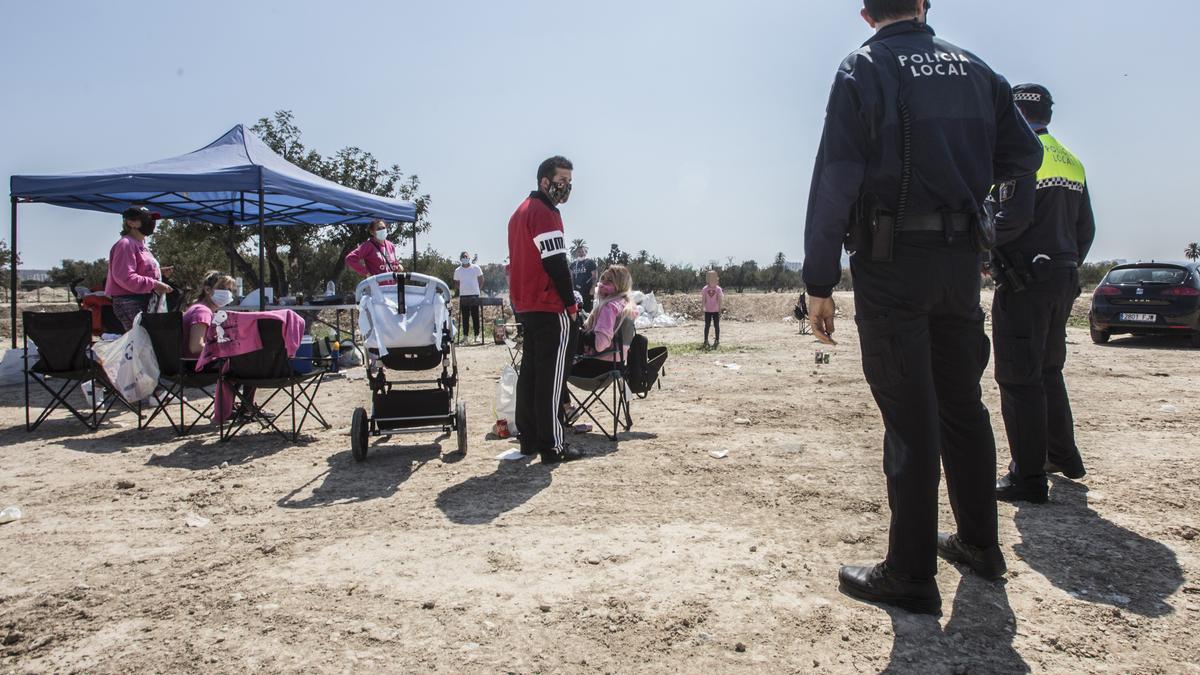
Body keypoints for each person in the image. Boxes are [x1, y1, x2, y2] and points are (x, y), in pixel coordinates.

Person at [802, 0, 1044, 615]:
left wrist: (820, 280)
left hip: (893, 260)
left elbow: (836, 177)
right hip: (961, 262)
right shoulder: (977, 69)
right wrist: (966, 187)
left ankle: (909, 573)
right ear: (924, 5)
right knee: (962, 403)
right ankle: (980, 545)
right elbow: (1025, 155)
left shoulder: (865, 68)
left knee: (910, 417)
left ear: (865, 14)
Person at [990, 84, 1096, 503]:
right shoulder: (1072, 161)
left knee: (1018, 378)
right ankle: (1062, 455)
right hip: (1063, 276)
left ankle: (1027, 475)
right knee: (1050, 370)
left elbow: (1010, 221)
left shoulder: (1020, 157)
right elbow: (1086, 229)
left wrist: (980, 244)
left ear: (1014, 114)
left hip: (1025, 280)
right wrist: (1064, 262)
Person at [507, 156, 583, 464]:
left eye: (569, 182)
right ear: (544, 181)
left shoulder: (519, 212)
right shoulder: (545, 212)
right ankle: (553, 445)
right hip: (548, 304)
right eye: (560, 181)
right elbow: (556, 264)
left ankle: (530, 440)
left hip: (526, 304)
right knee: (551, 378)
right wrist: (571, 303)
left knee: (531, 374)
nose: (565, 187)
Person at [106, 207, 172, 331]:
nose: (151, 222)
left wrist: (158, 273)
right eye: (146, 219)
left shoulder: (140, 245)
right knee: (142, 342)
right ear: (130, 223)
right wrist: (154, 284)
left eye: (152, 219)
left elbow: (138, 269)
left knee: (145, 343)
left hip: (143, 300)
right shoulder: (125, 244)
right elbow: (124, 277)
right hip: (130, 301)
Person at [572, 265, 636, 378]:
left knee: (554, 366)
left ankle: (558, 396)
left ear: (620, 284)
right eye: (603, 279)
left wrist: (579, 334)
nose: (603, 283)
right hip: (618, 365)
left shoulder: (609, 307)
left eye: (610, 280)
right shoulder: (627, 306)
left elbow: (600, 344)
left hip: (598, 367)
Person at [182, 271, 237, 359]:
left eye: (230, 290)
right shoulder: (202, 311)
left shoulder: (197, 308)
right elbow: (196, 347)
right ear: (207, 290)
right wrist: (227, 350)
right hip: (197, 367)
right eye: (222, 288)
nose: (227, 293)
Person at [453, 252, 485, 343]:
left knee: (475, 316)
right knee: (465, 317)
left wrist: (477, 289)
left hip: (475, 295)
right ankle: (465, 337)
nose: (465, 258)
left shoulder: (476, 268)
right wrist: (463, 289)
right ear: (460, 259)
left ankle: (477, 335)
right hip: (463, 296)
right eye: (463, 257)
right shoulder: (457, 270)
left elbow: (481, 279)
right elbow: (456, 283)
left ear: (469, 258)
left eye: (466, 256)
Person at [570, 245, 599, 312]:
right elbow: (571, 278)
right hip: (576, 293)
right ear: (576, 253)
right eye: (579, 252)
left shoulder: (590, 262)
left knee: (587, 311)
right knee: (577, 311)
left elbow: (594, 277)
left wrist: (593, 288)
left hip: (587, 292)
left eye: (582, 251)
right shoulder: (573, 264)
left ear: (586, 252)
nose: (581, 253)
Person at [701, 270, 724, 350]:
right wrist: (703, 307)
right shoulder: (704, 289)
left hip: (716, 311)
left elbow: (720, 299)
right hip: (707, 310)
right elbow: (703, 299)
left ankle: (717, 341)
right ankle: (705, 341)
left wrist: (720, 308)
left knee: (716, 326)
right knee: (707, 326)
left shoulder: (718, 289)